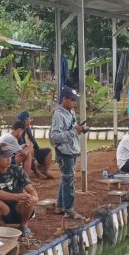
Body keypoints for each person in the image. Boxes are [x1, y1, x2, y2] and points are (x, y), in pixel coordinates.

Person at [0, 144, 39, 236]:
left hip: (19, 209)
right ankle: (2, 225)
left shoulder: (18, 170)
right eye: (5, 157)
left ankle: (24, 225)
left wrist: (34, 199)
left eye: (10, 156)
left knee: (28, 198)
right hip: (3, 209)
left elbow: (31, 190)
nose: (9, 159)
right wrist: (16, 197)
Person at [49, 87, 85, 219]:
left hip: (72, 150)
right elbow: (55, 137)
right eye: (72, 100)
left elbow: (73, 128)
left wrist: (80, 129)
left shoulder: (71, 112)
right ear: (64, 99)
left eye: (75, 100)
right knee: (69, 180)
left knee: (66, 178)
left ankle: (59, 206)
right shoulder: (58, 115)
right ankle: (69, 210)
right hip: (64, 152)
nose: (74, 102)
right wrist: (74, 132)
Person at [16, 110, 54, 179]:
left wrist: (37, 149)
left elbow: (32, 140)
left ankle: (43, 170)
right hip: (20, 155)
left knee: (47, 151)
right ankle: (35, 172)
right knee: (31, 153)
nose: (31, 120)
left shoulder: (26, 128)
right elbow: (20, 149)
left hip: (24, 152)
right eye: (30, 118)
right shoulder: (19, 131)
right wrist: (32, 154)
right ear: (26, 120)